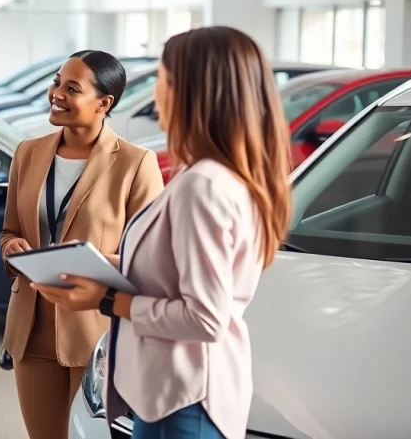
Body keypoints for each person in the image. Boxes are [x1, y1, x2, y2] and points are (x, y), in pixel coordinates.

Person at [34, 27, 292, 439]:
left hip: (186, 402)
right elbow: (173, 271)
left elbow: (203, 317)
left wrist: (107, 299)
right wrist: (100, 263)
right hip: (174, 395)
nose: (155, 94)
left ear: (191, 92)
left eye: (162, 79)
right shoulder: (210, 175)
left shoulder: (204, 186)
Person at [0, 50, 164, 439]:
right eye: (57, 82)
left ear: (103, 103)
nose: (55, 93)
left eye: (71, 88)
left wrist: (90, 262)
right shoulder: (28, 153)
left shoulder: (136, 163)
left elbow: (153, 259)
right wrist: (11, 249)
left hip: (97, 331)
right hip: (31, 323)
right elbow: (8, 231)